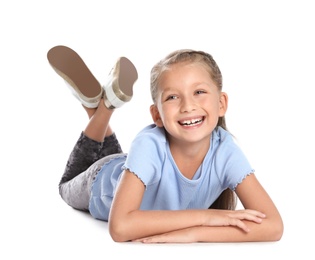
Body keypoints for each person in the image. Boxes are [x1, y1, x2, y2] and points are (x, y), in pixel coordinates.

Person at [47, 45, 284, 243]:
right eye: (172, 97)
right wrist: (206, 217)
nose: (188, 106)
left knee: (119, 159)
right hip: (100, 180)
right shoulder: (149, 144)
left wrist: (195, 234)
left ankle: (101, 105)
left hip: (131, 167)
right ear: (157, 115)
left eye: (199, 91)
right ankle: (100, 109)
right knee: (66, 185)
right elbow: (120, 227)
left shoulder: (226, 150)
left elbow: (273, 226)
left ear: (221, 103)